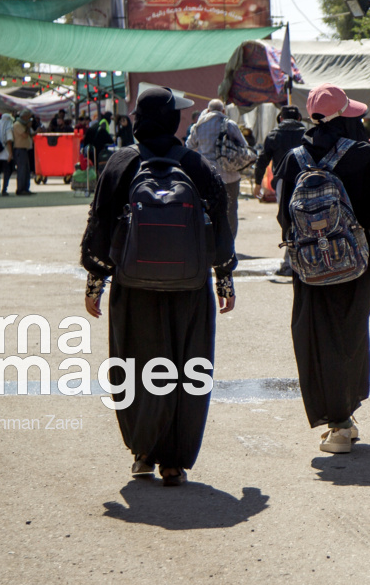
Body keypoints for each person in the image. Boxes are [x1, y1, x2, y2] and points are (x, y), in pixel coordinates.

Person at [80, 85, 237, 486]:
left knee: (135, 365)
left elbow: (99, 225)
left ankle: (143, 452)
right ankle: (174, 460)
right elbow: (221, 226)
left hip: (134, 289)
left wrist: (96, 281)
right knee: (189, 368)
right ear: (169, 120)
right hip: (189, 289)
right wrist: (225, 279)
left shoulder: (120, 163)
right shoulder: (198, 167)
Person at [275, 84, 370, 454]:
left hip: (309, 267)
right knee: (350, 334)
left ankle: (338, 422)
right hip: (354, 263)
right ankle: (345, 418)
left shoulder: (294, 157)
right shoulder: (363, 154)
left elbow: (284, 213)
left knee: (317, 339)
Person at [255, 105, 308, 277]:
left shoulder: (274, 135)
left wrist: (257, 183)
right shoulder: (308, 133)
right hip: (307, 180)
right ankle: (307, 257)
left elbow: (262, 160)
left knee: (287, 219)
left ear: (280, 118)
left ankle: (289, 263)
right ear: (299, 118)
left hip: (283, 183)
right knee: (307, 217)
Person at [187, 99, 249, 241]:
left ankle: (213, 241)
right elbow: (244, 146)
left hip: (207, 174)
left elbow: (189, 145)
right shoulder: (230, 124)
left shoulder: (199, 125)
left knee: (210, 208)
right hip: (230, 175)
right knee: (231, 209)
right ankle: (230, 241)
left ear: (208, 110)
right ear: (223, 111)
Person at [11, 110, 35, 195]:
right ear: (24, 117)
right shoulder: (18, 124)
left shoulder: (23, 125)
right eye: (28, 117)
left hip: (25, 149)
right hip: (19, 149)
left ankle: (26, 188)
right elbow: (25, 135)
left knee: (26, 170)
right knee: (22, 170)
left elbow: (29, 135)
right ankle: (20, 189)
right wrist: (28, 127)